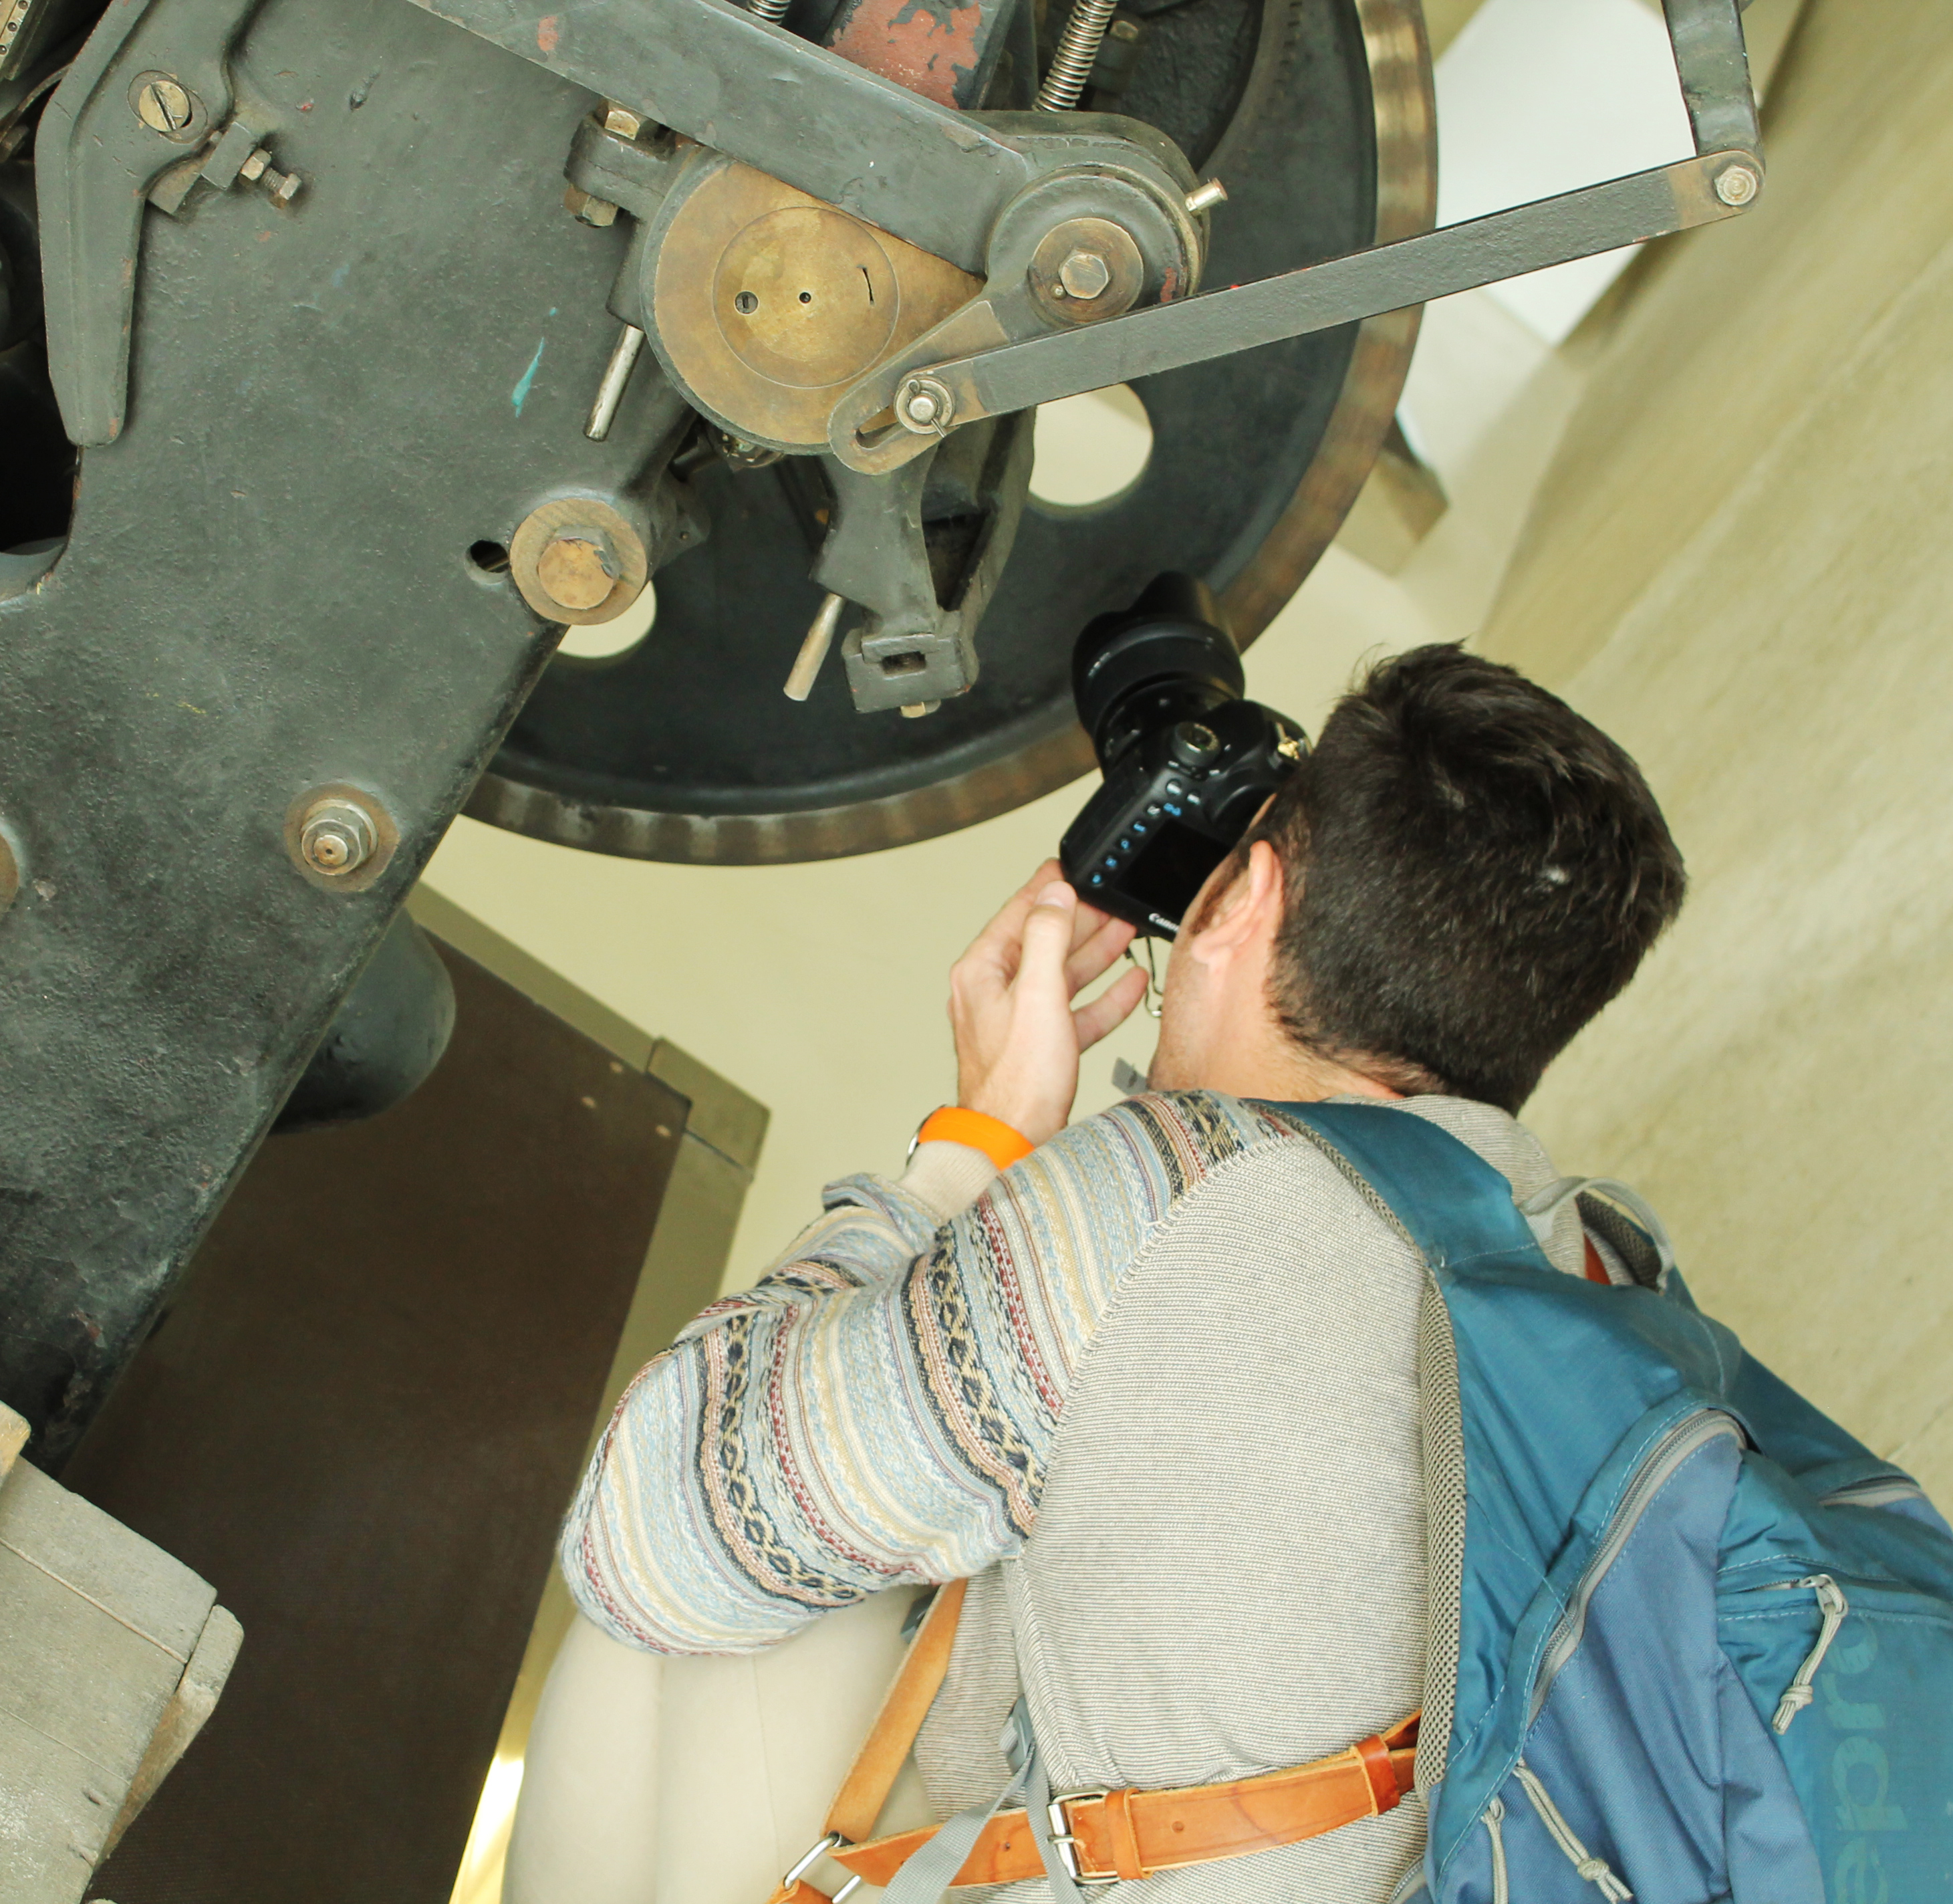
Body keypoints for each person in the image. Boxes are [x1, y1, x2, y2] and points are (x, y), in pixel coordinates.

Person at [512, 644, 1688, 1903]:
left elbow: (646, 1534)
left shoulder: (1179, 1186)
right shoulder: (1616, 1267)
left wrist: (975, 1145)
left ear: (1241, 901)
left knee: (696, 1587)